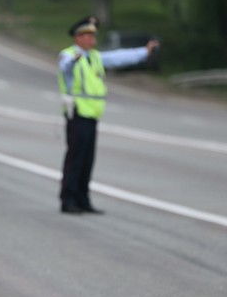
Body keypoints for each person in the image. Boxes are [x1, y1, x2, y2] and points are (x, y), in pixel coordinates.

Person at [57, 16, 159, 215]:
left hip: (92, 114)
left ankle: (83, 199)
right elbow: (65, 66)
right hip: (76, 114)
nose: (92, 40)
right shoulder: (68, 55)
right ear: (77, 37)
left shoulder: (95, 56)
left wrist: (143, 52)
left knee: (87, 160)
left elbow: (119, 57)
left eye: (93, 36)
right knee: (75, 159)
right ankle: (68, 199)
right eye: (87, 36)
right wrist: (75, 58)